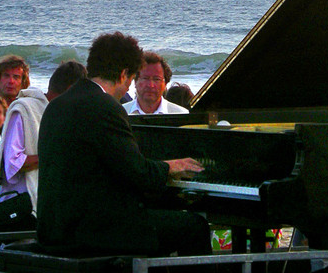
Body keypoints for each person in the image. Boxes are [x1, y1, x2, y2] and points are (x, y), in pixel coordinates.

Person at [37, 31, 211, 258]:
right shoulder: (104, 107)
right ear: (123, 74)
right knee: (193, 226)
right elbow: (138, 173)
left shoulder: (57, 105)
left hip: (54, 226)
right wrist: (171, 166)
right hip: (90, 232)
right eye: (131, 79)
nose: (128, 88)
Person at [0, 78, 49, 231]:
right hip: (20, 204)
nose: (11, 81)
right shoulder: (23, 110)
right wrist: (52, 155)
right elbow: (13, 162)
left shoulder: (45, 110)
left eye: (16, 77)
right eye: (6, 76)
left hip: (39, 204)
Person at [124, 51, 189, 115]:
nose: (150, 85)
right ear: (135, 81)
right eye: (145, 78)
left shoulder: (180, 114)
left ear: (165, 84)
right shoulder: (121, 113)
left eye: (156, 79)